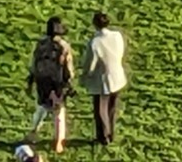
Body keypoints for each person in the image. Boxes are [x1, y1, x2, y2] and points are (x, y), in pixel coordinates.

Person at [26, 16, 75, 154]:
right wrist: (69, 82)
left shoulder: (40, 44)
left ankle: (33, 132)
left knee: (41, 107)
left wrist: (31, 79)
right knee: (59, 112)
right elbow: (68, 67)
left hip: (42, 81)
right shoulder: (63, 46)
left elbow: (34, 63)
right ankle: (59, 141)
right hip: (57, 82)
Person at [80, 12, 127, 147]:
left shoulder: (95, 43)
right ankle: (111, 133)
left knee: (101, 109)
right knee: (111, 107)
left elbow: (90, 64)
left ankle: (103, 136)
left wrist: (85, 78)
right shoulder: (117, 36)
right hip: (117, 76)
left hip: (102, 80)